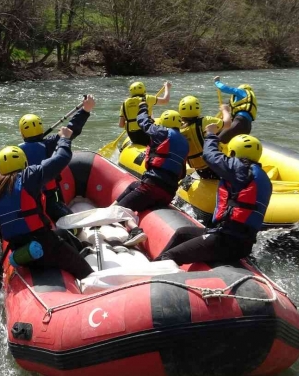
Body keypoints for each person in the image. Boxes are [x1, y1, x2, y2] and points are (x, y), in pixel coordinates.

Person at [0, 134, 93, 280]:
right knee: (87, 273)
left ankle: (81, 249)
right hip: (46, 246)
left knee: (61, 233)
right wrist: (64, 139)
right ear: (24, 162)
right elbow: (62, 158)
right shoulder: (28, 176)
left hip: (22, 252)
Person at [157, 132, 271, 265]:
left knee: (169, 256)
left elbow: (209, 155)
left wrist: (210, 135)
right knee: (182, 233)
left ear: (233, 152)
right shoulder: (262, 177)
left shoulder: (241, 169)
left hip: (227, 240)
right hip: (238, 240)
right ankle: (153, 265)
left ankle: (151, 276)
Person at [115, 105, 188, 246]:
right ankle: (109, 208)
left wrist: (143, 108)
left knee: (118, 212)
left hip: (151, 187)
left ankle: (135, 230)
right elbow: (182, 173)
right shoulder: (185, 143)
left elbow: (143, 122)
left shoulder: (162, 132)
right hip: (168, 193)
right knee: (133, 185)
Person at [18, 95, 96, 223]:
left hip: (28, 197)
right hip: (50, 196)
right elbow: (71, 129)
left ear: (22, 133)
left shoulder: (16, 151)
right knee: (71, 223)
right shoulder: (49, 143)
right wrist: (85, 110)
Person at [178, 95, 230, 179]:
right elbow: (227, 123)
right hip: (216, 166)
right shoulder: (206, 120)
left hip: (201, 170)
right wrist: (225, 110)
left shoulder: (180, 129)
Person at [119, 81, 171, 146]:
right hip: (146, 134)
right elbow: (165, 100)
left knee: (150, 114)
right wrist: (167, 87)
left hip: (132, 136)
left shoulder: (124, 104)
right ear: (143, 90)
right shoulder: (147, 98)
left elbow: (121, 125)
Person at [213, 76, 257, 143]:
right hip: (247, 127)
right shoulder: (249, 98)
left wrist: (217, 82)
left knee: (216, 142)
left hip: (239, 122)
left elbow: (224, 88)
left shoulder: (242, 92)